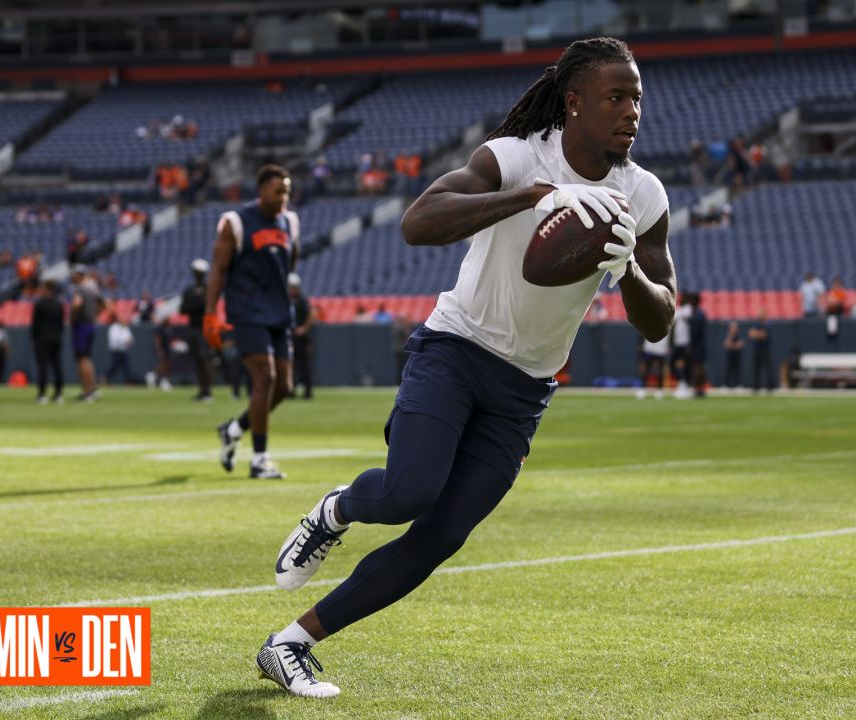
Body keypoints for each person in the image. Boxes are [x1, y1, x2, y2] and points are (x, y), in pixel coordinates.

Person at [253, 37, 674, 698]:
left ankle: (291, 644)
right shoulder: (513, 158)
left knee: (442, 535)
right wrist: (534, 198)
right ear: (573, 104)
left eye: (637, 98)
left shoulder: (642, 194)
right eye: (616, 97)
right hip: (455, 350)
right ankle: (335, 511)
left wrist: (626, 275)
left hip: (526, 388)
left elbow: (661, 318)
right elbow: (418, 223)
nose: (631, 112)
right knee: (408, 492)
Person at [205, 165, 302, 480]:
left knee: (284, 386)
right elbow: (218, 270)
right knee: (265, 378)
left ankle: (233, 429)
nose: (283, 197)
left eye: (287, 191)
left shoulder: (290, 221)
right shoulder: (235, 222)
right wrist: (211, 314)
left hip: (278, 311)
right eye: (278, 191)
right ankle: (260, 459)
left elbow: (290, 260)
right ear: (262, 191)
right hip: (246, 311)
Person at [179, 258, 215, 402]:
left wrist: (195, 305)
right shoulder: (190, 290)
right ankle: (202, 391)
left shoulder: (209, 289)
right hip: (193, 328)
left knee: (205, 359)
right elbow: (183, 309)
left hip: (204, 329)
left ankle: (207, 392)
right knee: (197, 360)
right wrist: (197, 304)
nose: (197, 275)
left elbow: (208, 308)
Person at [70, 265, 106, 402]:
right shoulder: (93, 287)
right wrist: (95, 315)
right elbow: (102, 304)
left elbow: (76, 304)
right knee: (86, 358)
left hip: (81, 325)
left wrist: (72, 318)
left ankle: (88, 390)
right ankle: (91, 389)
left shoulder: (81, 288)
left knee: (81, 358)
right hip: (90, 324)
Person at [30, 280, 66, 404]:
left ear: (48, 289)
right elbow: (62, 323)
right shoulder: (59, 304)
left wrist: (34, 339)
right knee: (57, 366)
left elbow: (35, 325)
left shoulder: (39, 304)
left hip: (42, 339)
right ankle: (59, 394)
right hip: (56, 339)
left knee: (43, 367)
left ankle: (42, 394)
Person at [289, 273, 315, 399]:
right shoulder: (287, 300)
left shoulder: (302, 300)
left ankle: (308, 392)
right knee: (291, 366)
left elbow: (311, 315)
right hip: (291, 337)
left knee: (305, 366)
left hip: (302, 339)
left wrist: (304, 329)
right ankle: (290, 390)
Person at [637, 327, 670, 400]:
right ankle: (642, 388)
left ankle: (659, 390)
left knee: (660, 369)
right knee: (646, 368)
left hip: (661, 346)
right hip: (649, 346)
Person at [670, 291, 693, 399]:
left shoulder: (688, 308)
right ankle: (682, 384)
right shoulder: (679, 309)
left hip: (684, 342)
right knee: (673, 365)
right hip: (677, 342)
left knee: (681, 364)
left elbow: (684, 314)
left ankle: (684, 385)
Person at [105, 312, 134, 386]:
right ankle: (106, 379)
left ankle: (128, 382)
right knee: (114, 366)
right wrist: (124, 342)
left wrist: (129, 342)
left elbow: (131, 339)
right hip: (115, 351)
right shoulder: (113, 327)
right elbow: (113, 339)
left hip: (124, 351)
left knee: (126, 367)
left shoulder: (126, 327)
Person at [688, 292, 708, 398]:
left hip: (698, 346)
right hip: (701, 345)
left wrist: (691, 345)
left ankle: (698, 389)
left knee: (697, 367)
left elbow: (695, 332)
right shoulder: (700, 313)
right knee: (699, 367)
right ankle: (701, 388)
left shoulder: (698, 314)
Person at [749, 311, 772, 392]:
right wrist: (759, 334)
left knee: (768, 369)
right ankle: (756, 387)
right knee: (756, 369)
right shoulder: (756, 324)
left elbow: (764, 335)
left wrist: (757, 334)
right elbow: (751, 334)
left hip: (765, 349)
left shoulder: (768, 324)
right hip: (757, 350)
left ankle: (769, 388)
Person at [825, 277, 847, 348]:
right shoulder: (832, 292)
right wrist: (834, 301)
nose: (835, 285)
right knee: (831, 327)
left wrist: (834, 301)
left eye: (837, 284)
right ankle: (831, 342)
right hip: (831, 313)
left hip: (839, 312)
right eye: (834, 283)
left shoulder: (841, 292)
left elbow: (840, 302)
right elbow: (828, 301)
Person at [722, 321, 744, 388]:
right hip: (730, 356)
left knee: (737, 370)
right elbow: (726, 344)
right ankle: (726, 385)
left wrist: (733, 345)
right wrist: (733, 344)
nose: (733, 329)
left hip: (737, 356)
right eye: (732, 327)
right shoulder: (728, 335)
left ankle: (738, 385)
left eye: (734, 327)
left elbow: (740, 344)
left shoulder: (739, 336)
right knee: (728, 370)